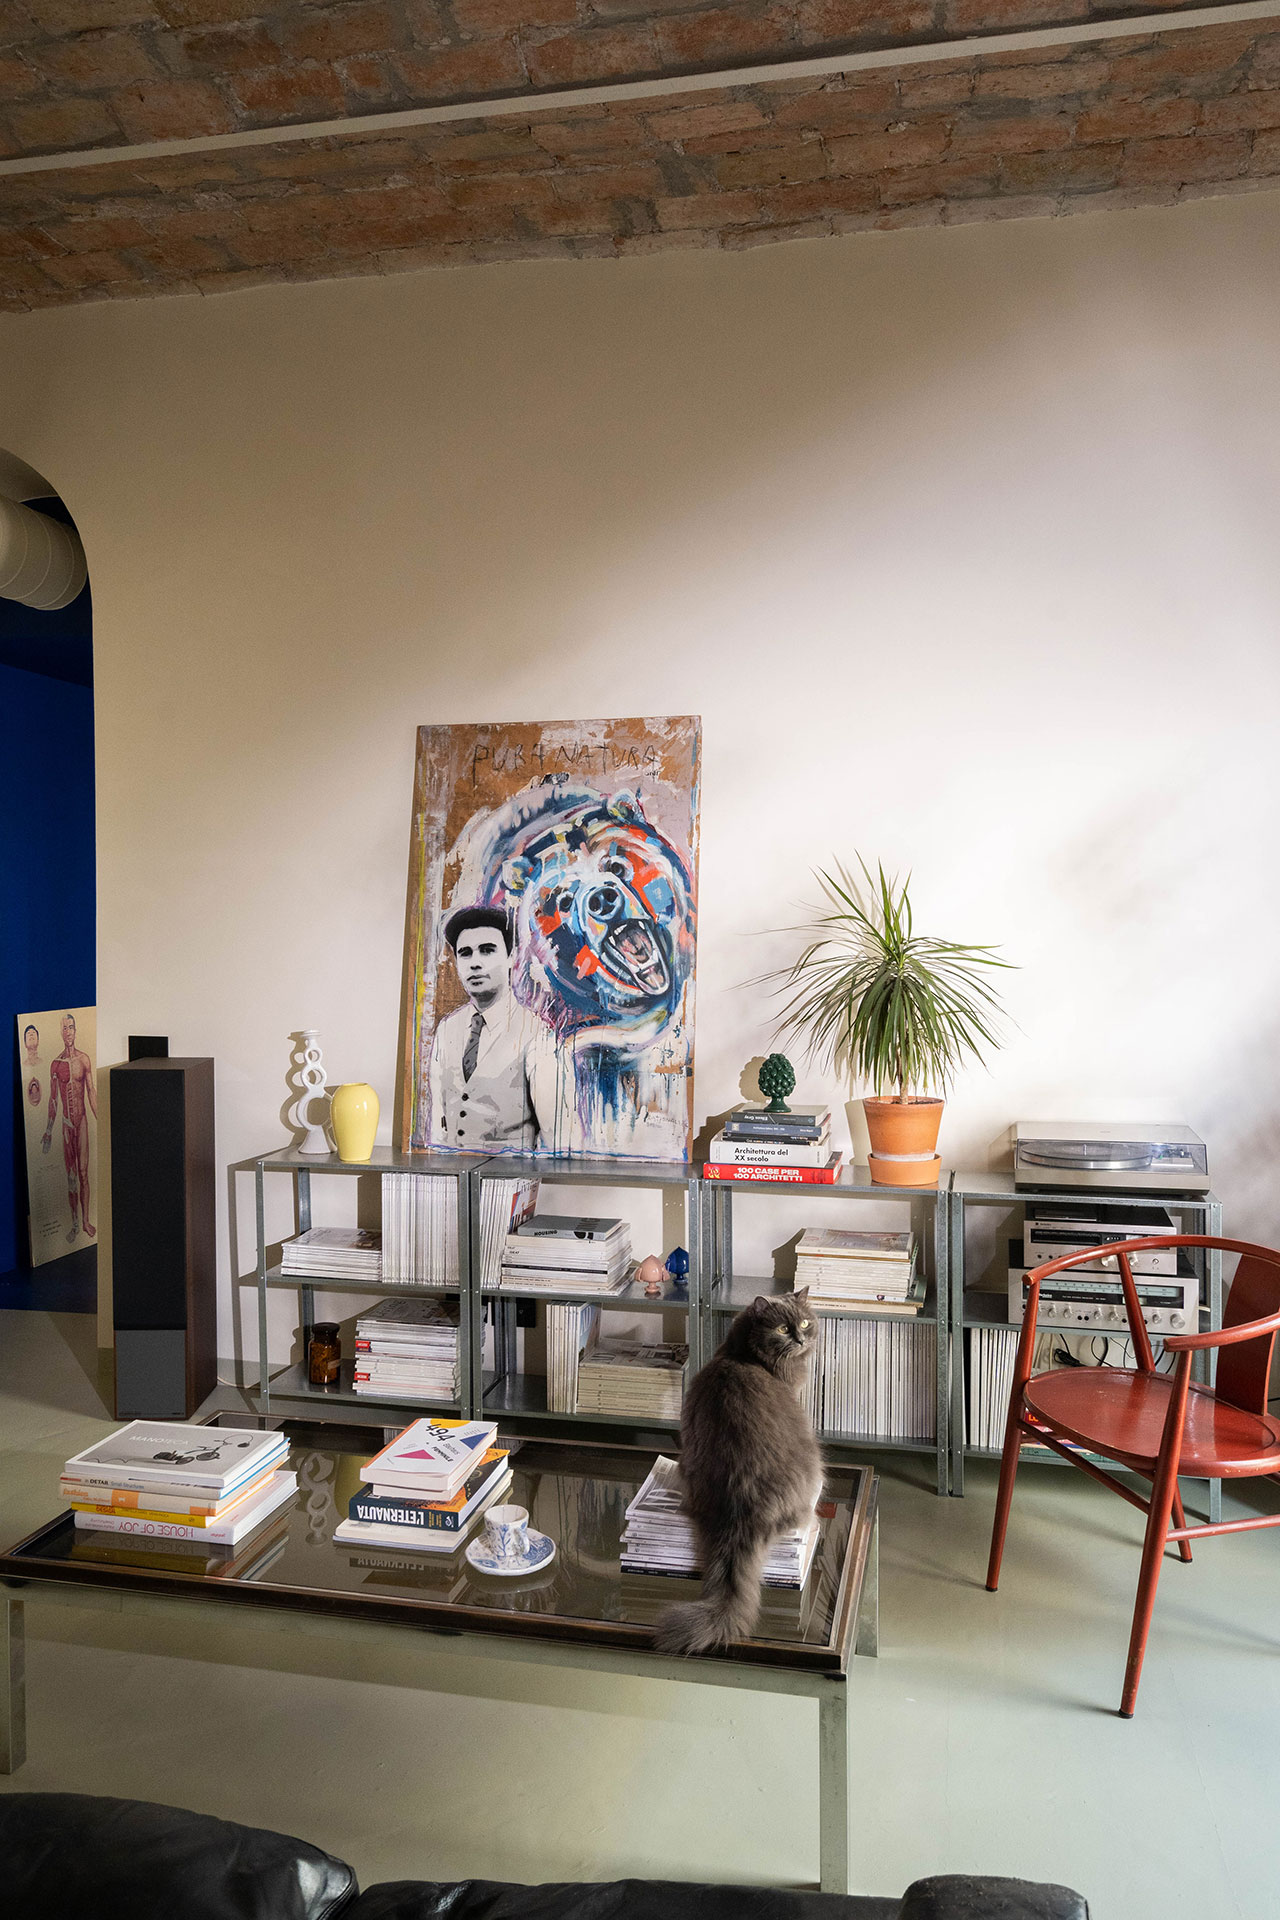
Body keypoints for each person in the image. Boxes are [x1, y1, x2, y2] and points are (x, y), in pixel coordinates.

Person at [425, 907, 577, 1154]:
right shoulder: (447, 1029)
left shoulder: (538, 1034)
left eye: (487, 950)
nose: (475, 963)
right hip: (453, 1182)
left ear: (511, 956)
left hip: (510, 1183)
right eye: (465, 954)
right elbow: (438, 1124)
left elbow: (555, 1141)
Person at [42, 1012, 97, 1242]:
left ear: (76, 1030)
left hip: (82, 1122)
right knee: (72, 1176)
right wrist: (48, 1130)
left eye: (71, 1027)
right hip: (66, 1126)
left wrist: (101, 1120)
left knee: (84, 1173)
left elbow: (91, 1092)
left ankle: (85, 1221)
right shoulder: (55, 1065)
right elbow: (53, 1100)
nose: (68, 1032)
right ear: (60, 1032)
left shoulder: (84, 1060)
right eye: (64, 1028)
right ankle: (75, 1223)